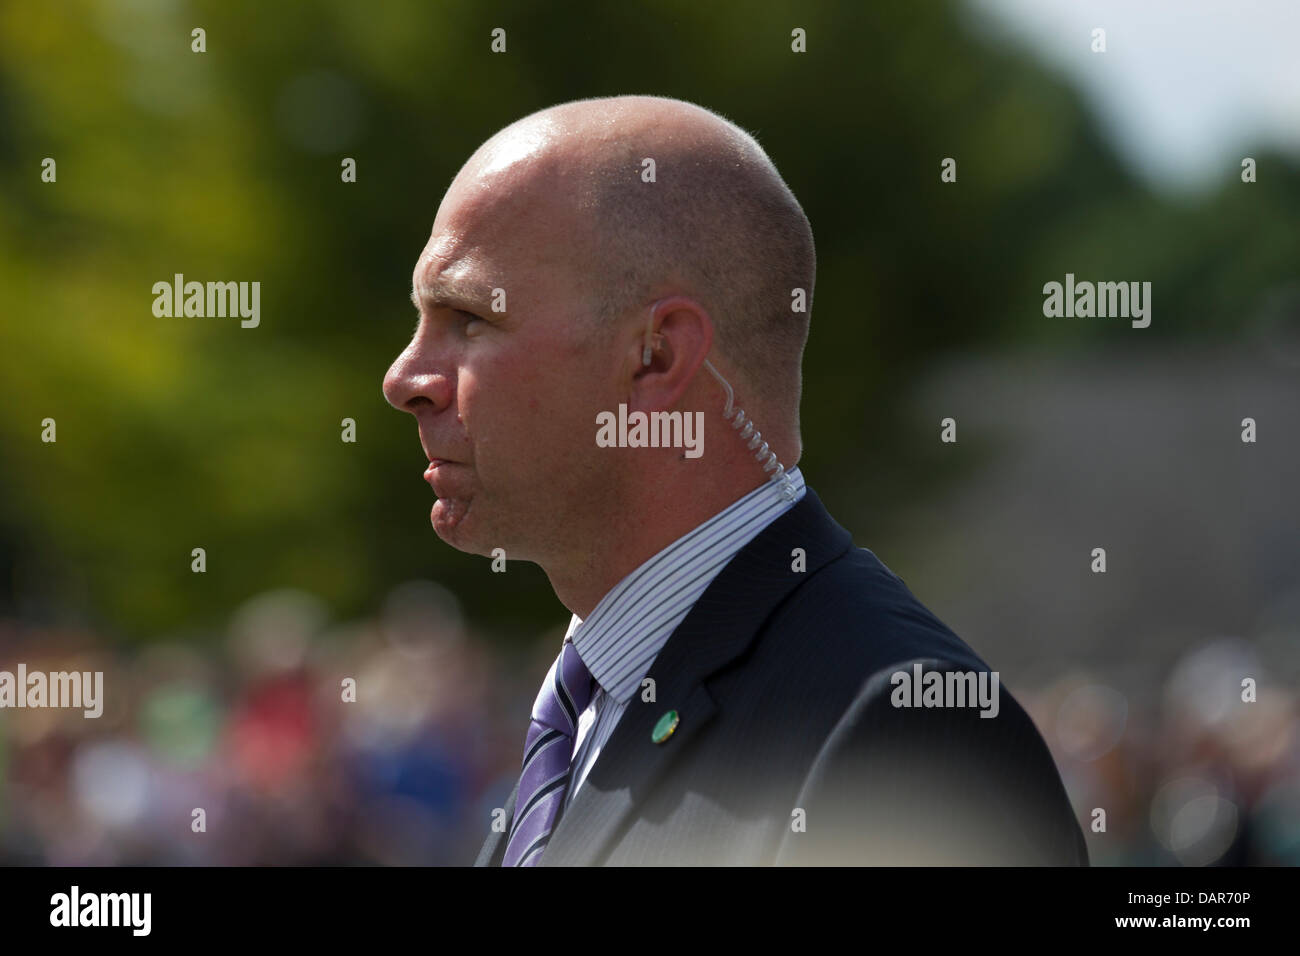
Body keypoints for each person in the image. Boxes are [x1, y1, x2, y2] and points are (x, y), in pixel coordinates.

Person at [382, 94, 1088, 866]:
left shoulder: (898, 733)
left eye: (468, 317)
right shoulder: (593, 702)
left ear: (657, 357)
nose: (405, 378)